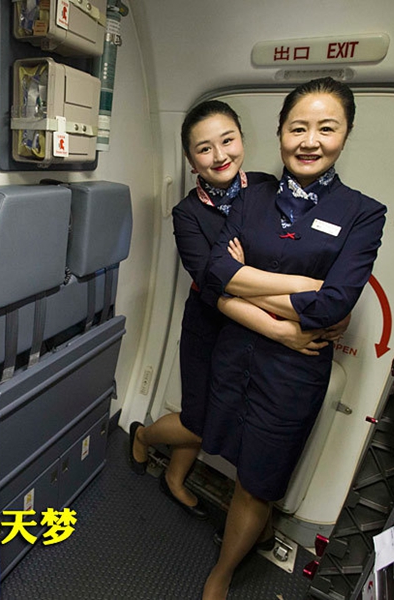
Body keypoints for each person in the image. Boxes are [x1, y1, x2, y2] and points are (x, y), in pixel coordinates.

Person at [199, 78, 387, 600]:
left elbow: (334, 305)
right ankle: (245, 535)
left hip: (294, 372)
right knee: (229, 451)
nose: (310, 141)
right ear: (280, 132)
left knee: (261, 478)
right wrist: (301, 287)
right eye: (298, 127)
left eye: (326, 129)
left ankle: (223, 571)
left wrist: (246, 282)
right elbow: (215, 272)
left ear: (345, 136)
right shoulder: (252, 195)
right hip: (236, 354)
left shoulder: (362, 213)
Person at [129, 101, 339, 520]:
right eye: (204, 149)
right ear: (191, 160)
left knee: (219, 420)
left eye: (227, 140)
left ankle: (174, 475)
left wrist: (241, 273)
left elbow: (278, 256)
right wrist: (285, 300)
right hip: (210, 326)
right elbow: (212, 283)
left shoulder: (266, 186)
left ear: (242, 140)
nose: (220, 155)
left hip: (251, 330)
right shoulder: (187, 213)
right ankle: (144, 437)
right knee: (198, 420)